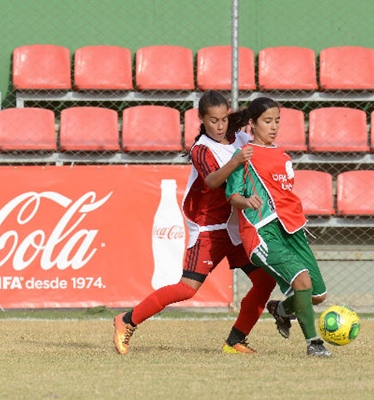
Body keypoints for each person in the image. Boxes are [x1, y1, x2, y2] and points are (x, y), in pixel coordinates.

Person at [113, 90, 277, 355]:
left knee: (265, 280)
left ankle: (235, 340)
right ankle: (126, 320)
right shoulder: (201, 149)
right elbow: (213, 182)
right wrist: (236, 161)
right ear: (202, 119)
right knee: (187, 288)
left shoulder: (240, 138)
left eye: (224, 119)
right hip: (209, 228)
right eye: (213, 120)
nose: (220, 125)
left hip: (236, 227)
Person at [224, 96, 331, 357]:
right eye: (267, 121)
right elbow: (233, 195)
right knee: (302, 281)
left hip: (292, 229)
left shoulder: (283, 154)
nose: (273, 127)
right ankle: (314, 344)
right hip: (263, 232)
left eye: (277, 121)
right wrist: (246, 200)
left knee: (317, 295)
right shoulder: (245, 155)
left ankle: (281, 310)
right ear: (252, 124)